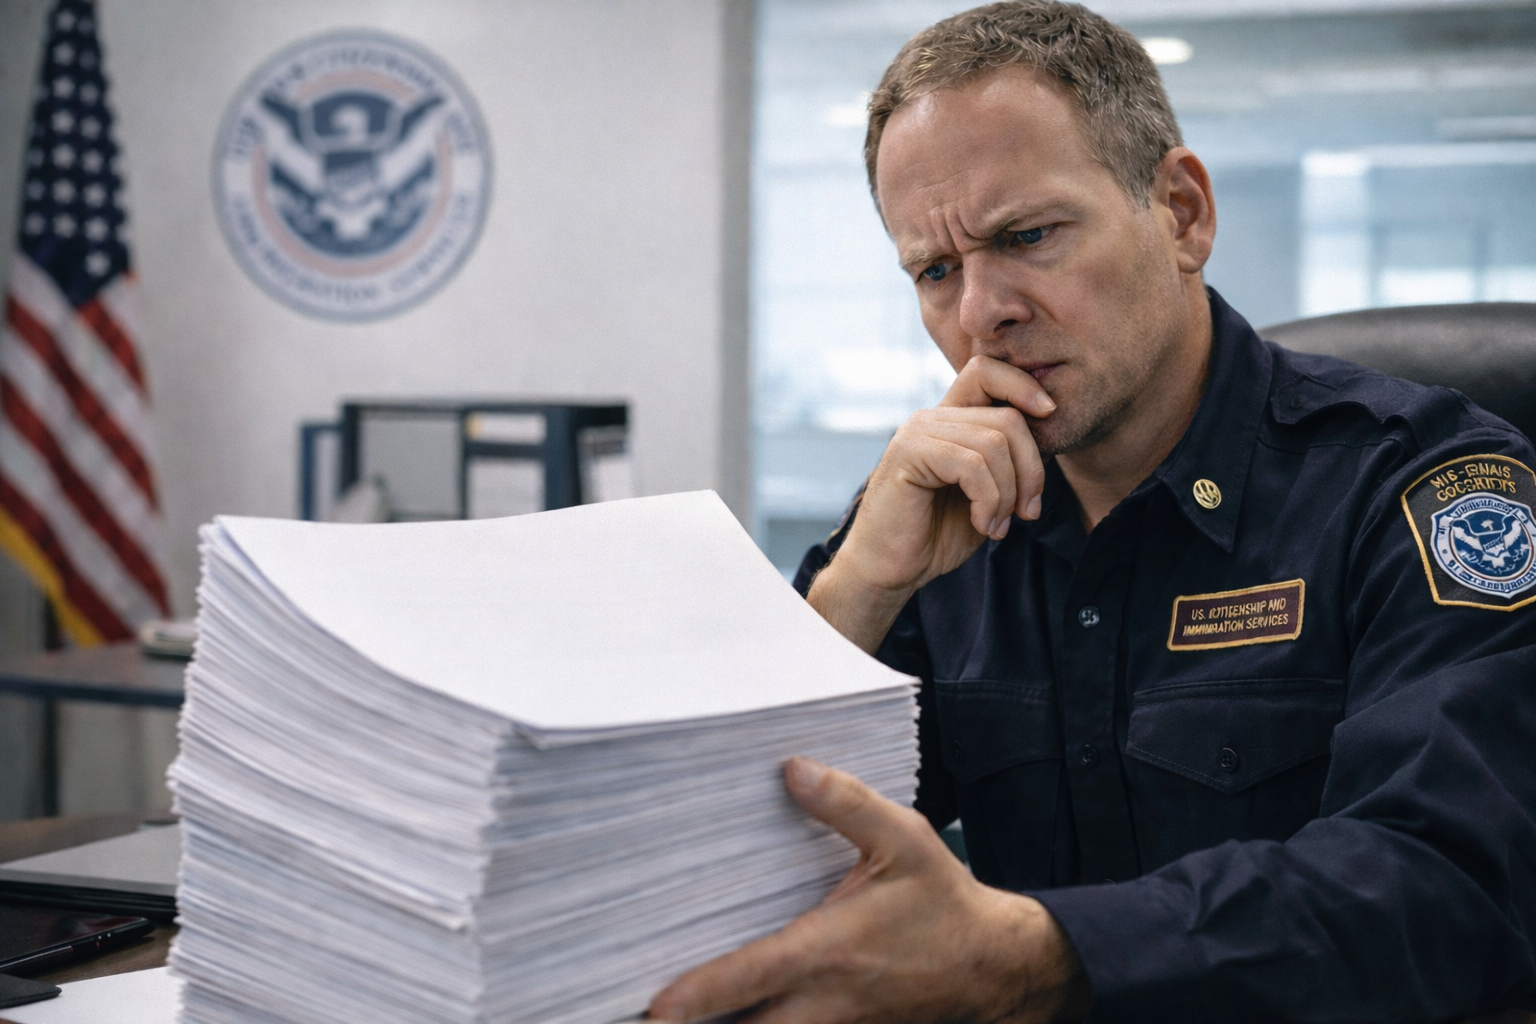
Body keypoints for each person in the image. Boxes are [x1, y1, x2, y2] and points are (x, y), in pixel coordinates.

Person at [650, 2, 1536, 1021]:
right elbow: (717, 857)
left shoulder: (1420, 487)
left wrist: (1037, 955)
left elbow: (1446, 887)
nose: (981, 310)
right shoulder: (939, 516)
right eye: (936, 270)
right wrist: (856, 588)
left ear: (1181, 213)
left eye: (1027, 236)